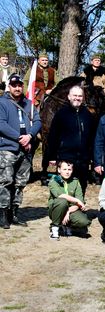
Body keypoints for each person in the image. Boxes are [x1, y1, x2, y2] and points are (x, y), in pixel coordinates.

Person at [0, 74, 42, 229]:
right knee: (6, 182)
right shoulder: (2, 103)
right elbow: (1, 124)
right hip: (8, 149)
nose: (17, 88)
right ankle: (3, 214)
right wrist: (19, 138)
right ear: (9, 87)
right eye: (14, 85)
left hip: (26, 150)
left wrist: (30, 136)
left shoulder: (29, 104)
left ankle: (14, 213)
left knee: (20, 183)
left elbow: (37, 121)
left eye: (19, 85)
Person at [46, 85, 96, 194]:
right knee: (64, 189)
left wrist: (92, 157)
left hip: (83, 159)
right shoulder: (61, 114)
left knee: (81, 188)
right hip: (65, 158)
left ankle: (77, 210)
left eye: (80, 96)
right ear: (69, 97)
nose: (77, 98)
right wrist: (52, 156)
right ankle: (63, 210)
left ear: (83, 98)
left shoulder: (87, 115)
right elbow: (53, 136)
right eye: (74, 95)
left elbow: (92, 137)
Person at [47, 160, 90, 240]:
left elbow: (80, 200)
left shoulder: (75, 181)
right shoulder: (53, 180)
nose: (67, 172)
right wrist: (76, 201)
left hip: (71, 209)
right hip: (55, 209)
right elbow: (60, 195)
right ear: (59, 170)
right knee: (62, 201)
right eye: (64, 169)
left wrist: (68, 211)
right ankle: (55, 229)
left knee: (84, 222)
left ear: (72, 170)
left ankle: (67, 226)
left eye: (69, 170)